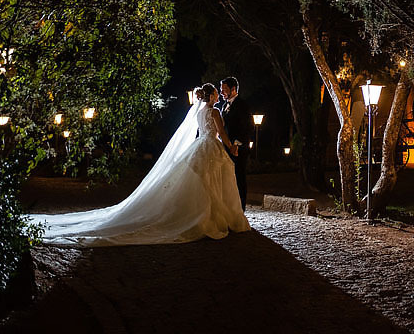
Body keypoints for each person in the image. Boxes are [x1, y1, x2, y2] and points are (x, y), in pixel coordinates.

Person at [29, 83, 250, 246]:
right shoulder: (214, 112)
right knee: (213, 182)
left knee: (203, 182)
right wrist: (231, 147)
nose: (218, 95)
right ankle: (211, 217)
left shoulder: (200, 113)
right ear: (211, 95)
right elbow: (220, 133)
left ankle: (205, 213)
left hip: (199, 146)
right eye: (216, 92)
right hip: (211, 147)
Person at [215, 76, 252, 209]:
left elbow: (247, 127)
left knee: (239, 177)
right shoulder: (225, 105)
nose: (221, 92)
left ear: (233, 89)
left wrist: (236, 144)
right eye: (221, 90)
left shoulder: (242, 105)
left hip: (238, 149)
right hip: (226, 147)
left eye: (224, 89)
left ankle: (241, 209)